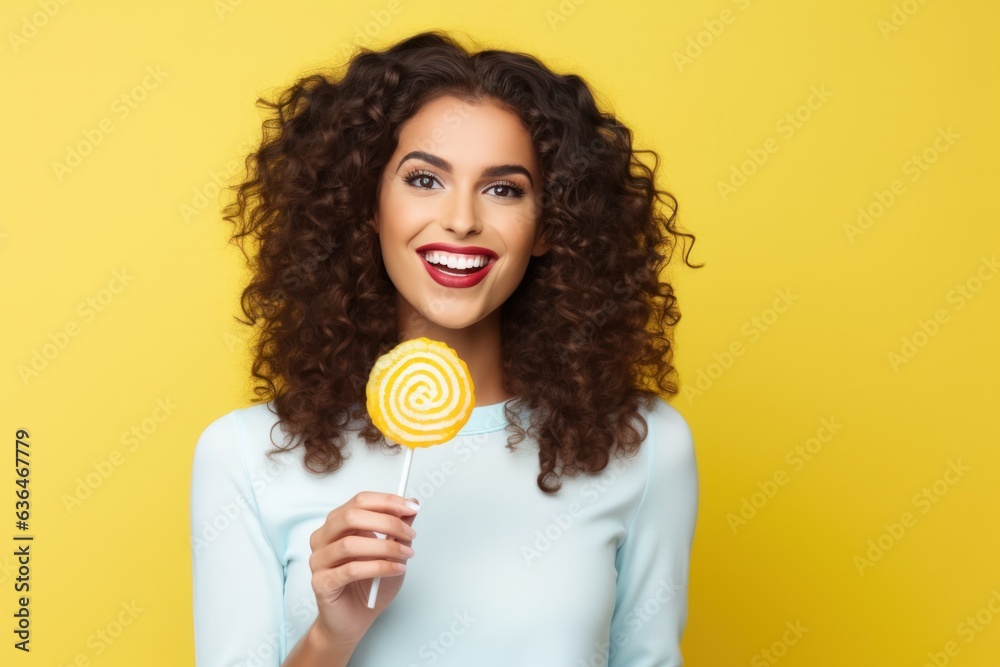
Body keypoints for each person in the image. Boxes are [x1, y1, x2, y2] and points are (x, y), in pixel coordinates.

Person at [190, 29, 701, 667]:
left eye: (504, 188)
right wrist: (332, 635)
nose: (462, 219)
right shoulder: (244, 456)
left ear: (548, 226)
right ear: (368, 204)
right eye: (425, 179)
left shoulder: (645, 446)